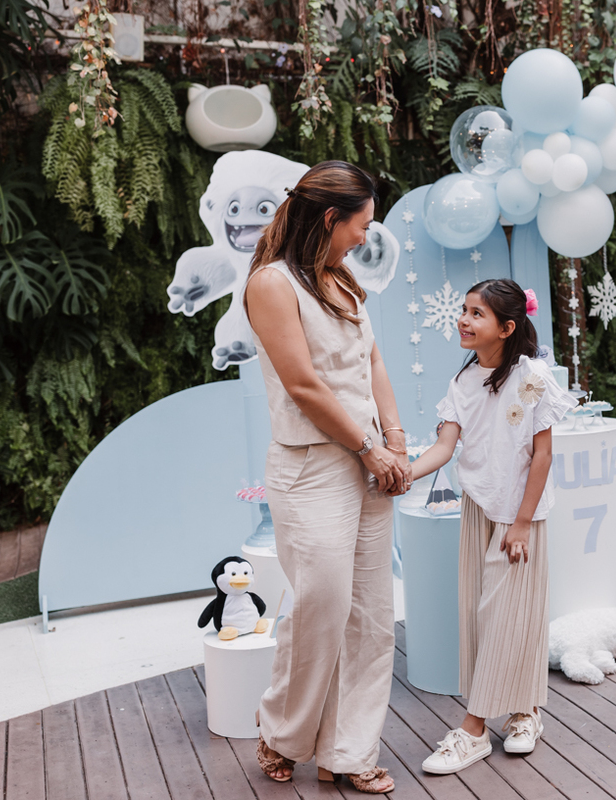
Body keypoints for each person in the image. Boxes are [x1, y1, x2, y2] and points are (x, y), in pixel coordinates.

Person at [243, 161, 411, 794]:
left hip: (370, 461)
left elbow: (373, 362)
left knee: (371, 615)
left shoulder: (341, 278)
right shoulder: (271, 283)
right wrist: (370, 449)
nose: (366, 236)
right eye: (362, 224)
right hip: (313, 466)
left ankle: (349, 751)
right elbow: (304, 385)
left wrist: (394, 440)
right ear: (330, 218)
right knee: (323, 604)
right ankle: (283, 730)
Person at [410, 279, 576, 774]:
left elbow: (542, 456)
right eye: (464, 310)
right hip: (478, 509)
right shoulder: (462, 382)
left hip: (519, 515)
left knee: (508, 613)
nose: (463, 320)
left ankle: (474, 730)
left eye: (476, 313)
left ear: (506, 328)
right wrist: (401, 475)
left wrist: (522, 522)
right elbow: (444, 448)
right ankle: (526, 711)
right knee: (486, 617)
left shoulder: (533, 377)